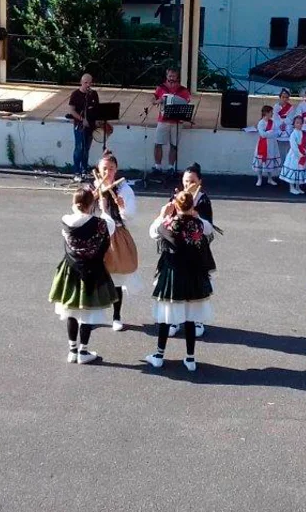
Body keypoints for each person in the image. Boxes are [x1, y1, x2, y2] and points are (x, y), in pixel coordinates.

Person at [146, 190, 215, 372]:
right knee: (191, 318)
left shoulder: (168, 224)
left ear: (176, 205)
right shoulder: (198, 224)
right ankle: (190, 359)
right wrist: (196, 215)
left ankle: (159, 356)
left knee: (165, 317)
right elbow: (209, 228)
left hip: (173, 274)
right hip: (193, 275)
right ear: (192, 206)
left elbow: (153, 232)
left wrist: (162, 214)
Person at [48, 187, 118, 365]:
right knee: (87, 312)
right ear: (91, 204)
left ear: (74, 203)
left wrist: (86, 202)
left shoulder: (66, 221)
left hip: (71, 269)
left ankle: (72, 350)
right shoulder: (101, 223)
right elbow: (110, 229)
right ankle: (83, 351)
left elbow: (77, 216)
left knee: (71, 310)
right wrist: (103, 208)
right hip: (92, 270)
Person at [93, 152, 140, 332]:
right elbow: (81, 209)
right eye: (104, 168)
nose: (107, 172)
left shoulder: (124, 189)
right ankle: (92, 314)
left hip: (116, 235)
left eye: (111, 169)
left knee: (116, 277)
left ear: (116, 170)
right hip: (95, 234)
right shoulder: (93, 187)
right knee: (93, 275)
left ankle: (116, 316)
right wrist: (91, 199)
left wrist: (121, 207)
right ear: (98, 169)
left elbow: (130, 217)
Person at [169, 163, 216, 338]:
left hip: (197, 249)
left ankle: (197, 320)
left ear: (199, 182)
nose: (188, 185)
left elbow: (209, 228)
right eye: (185, 181)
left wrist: (196, 217)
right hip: (178, 250)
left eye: (192, 181)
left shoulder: (203, 200)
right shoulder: (177, 197)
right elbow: (167, 222)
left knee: (196, 285)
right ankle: (175, 320)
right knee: (177, 285)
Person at [151, 69, 191, 175]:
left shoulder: (183, 90)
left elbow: (186, 102)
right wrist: (157, 100)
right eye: (170, 76)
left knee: (174, 145)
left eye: (173, 76)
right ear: (166, 76)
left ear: (177, 77)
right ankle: (157, 167)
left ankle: (171, 167)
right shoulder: (161, 88)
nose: (171, 78)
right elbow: (153, 99)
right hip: (163, 120)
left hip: (177, 121)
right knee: (158, 143)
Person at [68, 73, 100, 179]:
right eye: (86, 83)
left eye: (90, 83)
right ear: (81, 82)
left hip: (90, 125)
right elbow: (72, 110)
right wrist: (82, 119)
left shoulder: (94, 94)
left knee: (86, 149)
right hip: (80, 126)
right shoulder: (75, 94)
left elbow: (96, 109)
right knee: (79, 148)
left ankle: (84, 170)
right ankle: (77, 171)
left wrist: (96, 121)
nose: (88, 85)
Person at [247, 104, 281, 186]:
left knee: (270, 161)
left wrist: (269, 133)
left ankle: (270, 178)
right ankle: (259, 178)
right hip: (263, 144)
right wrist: (270, 132)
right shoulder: (261, 123)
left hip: (271, 145)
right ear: (266, 113)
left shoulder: (272, 122)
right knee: (260, 161)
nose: (272, 114)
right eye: (271, 112)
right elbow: (262, 134)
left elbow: (277, 132)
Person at [274, 89, 295, 157]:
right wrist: (280, 124)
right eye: (283, 97)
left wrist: (284, 123)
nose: (285, 99)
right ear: (280, 97)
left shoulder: (291, 107)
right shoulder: (276, 106)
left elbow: (291, 118)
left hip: (287, 130)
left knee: (288, 151)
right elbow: (275, 118)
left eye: (286, 97)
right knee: (279, 151)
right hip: (278, 129)